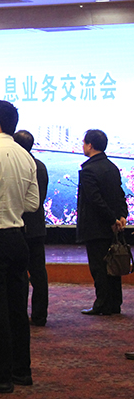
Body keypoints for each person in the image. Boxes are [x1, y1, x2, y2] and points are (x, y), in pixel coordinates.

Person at [0, 100, 39, 393]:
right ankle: (21, 371)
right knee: (17, 309)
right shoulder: (26, 156)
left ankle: (1, 375)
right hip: (18, 238)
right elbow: (32, 204)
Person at [77, 129, 128, 316]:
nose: (83, 146)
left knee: (99, 267)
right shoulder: (112, 166)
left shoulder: (88, 170)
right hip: (112, 226)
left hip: (95, 227)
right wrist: (121, 216)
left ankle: (102, 304)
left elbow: (95, 200)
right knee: (112, 266)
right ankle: (114, 303)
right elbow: (119, 194)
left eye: (84, 143)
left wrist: (112, 219)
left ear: (90, 145)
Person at [13, 130, 50, 326]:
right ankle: (40, 315)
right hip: (37, 227)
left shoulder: (17, 167)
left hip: (19, 226)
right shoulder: (40, 166)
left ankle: (18, 313)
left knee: (18, 273)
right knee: (38, 273)